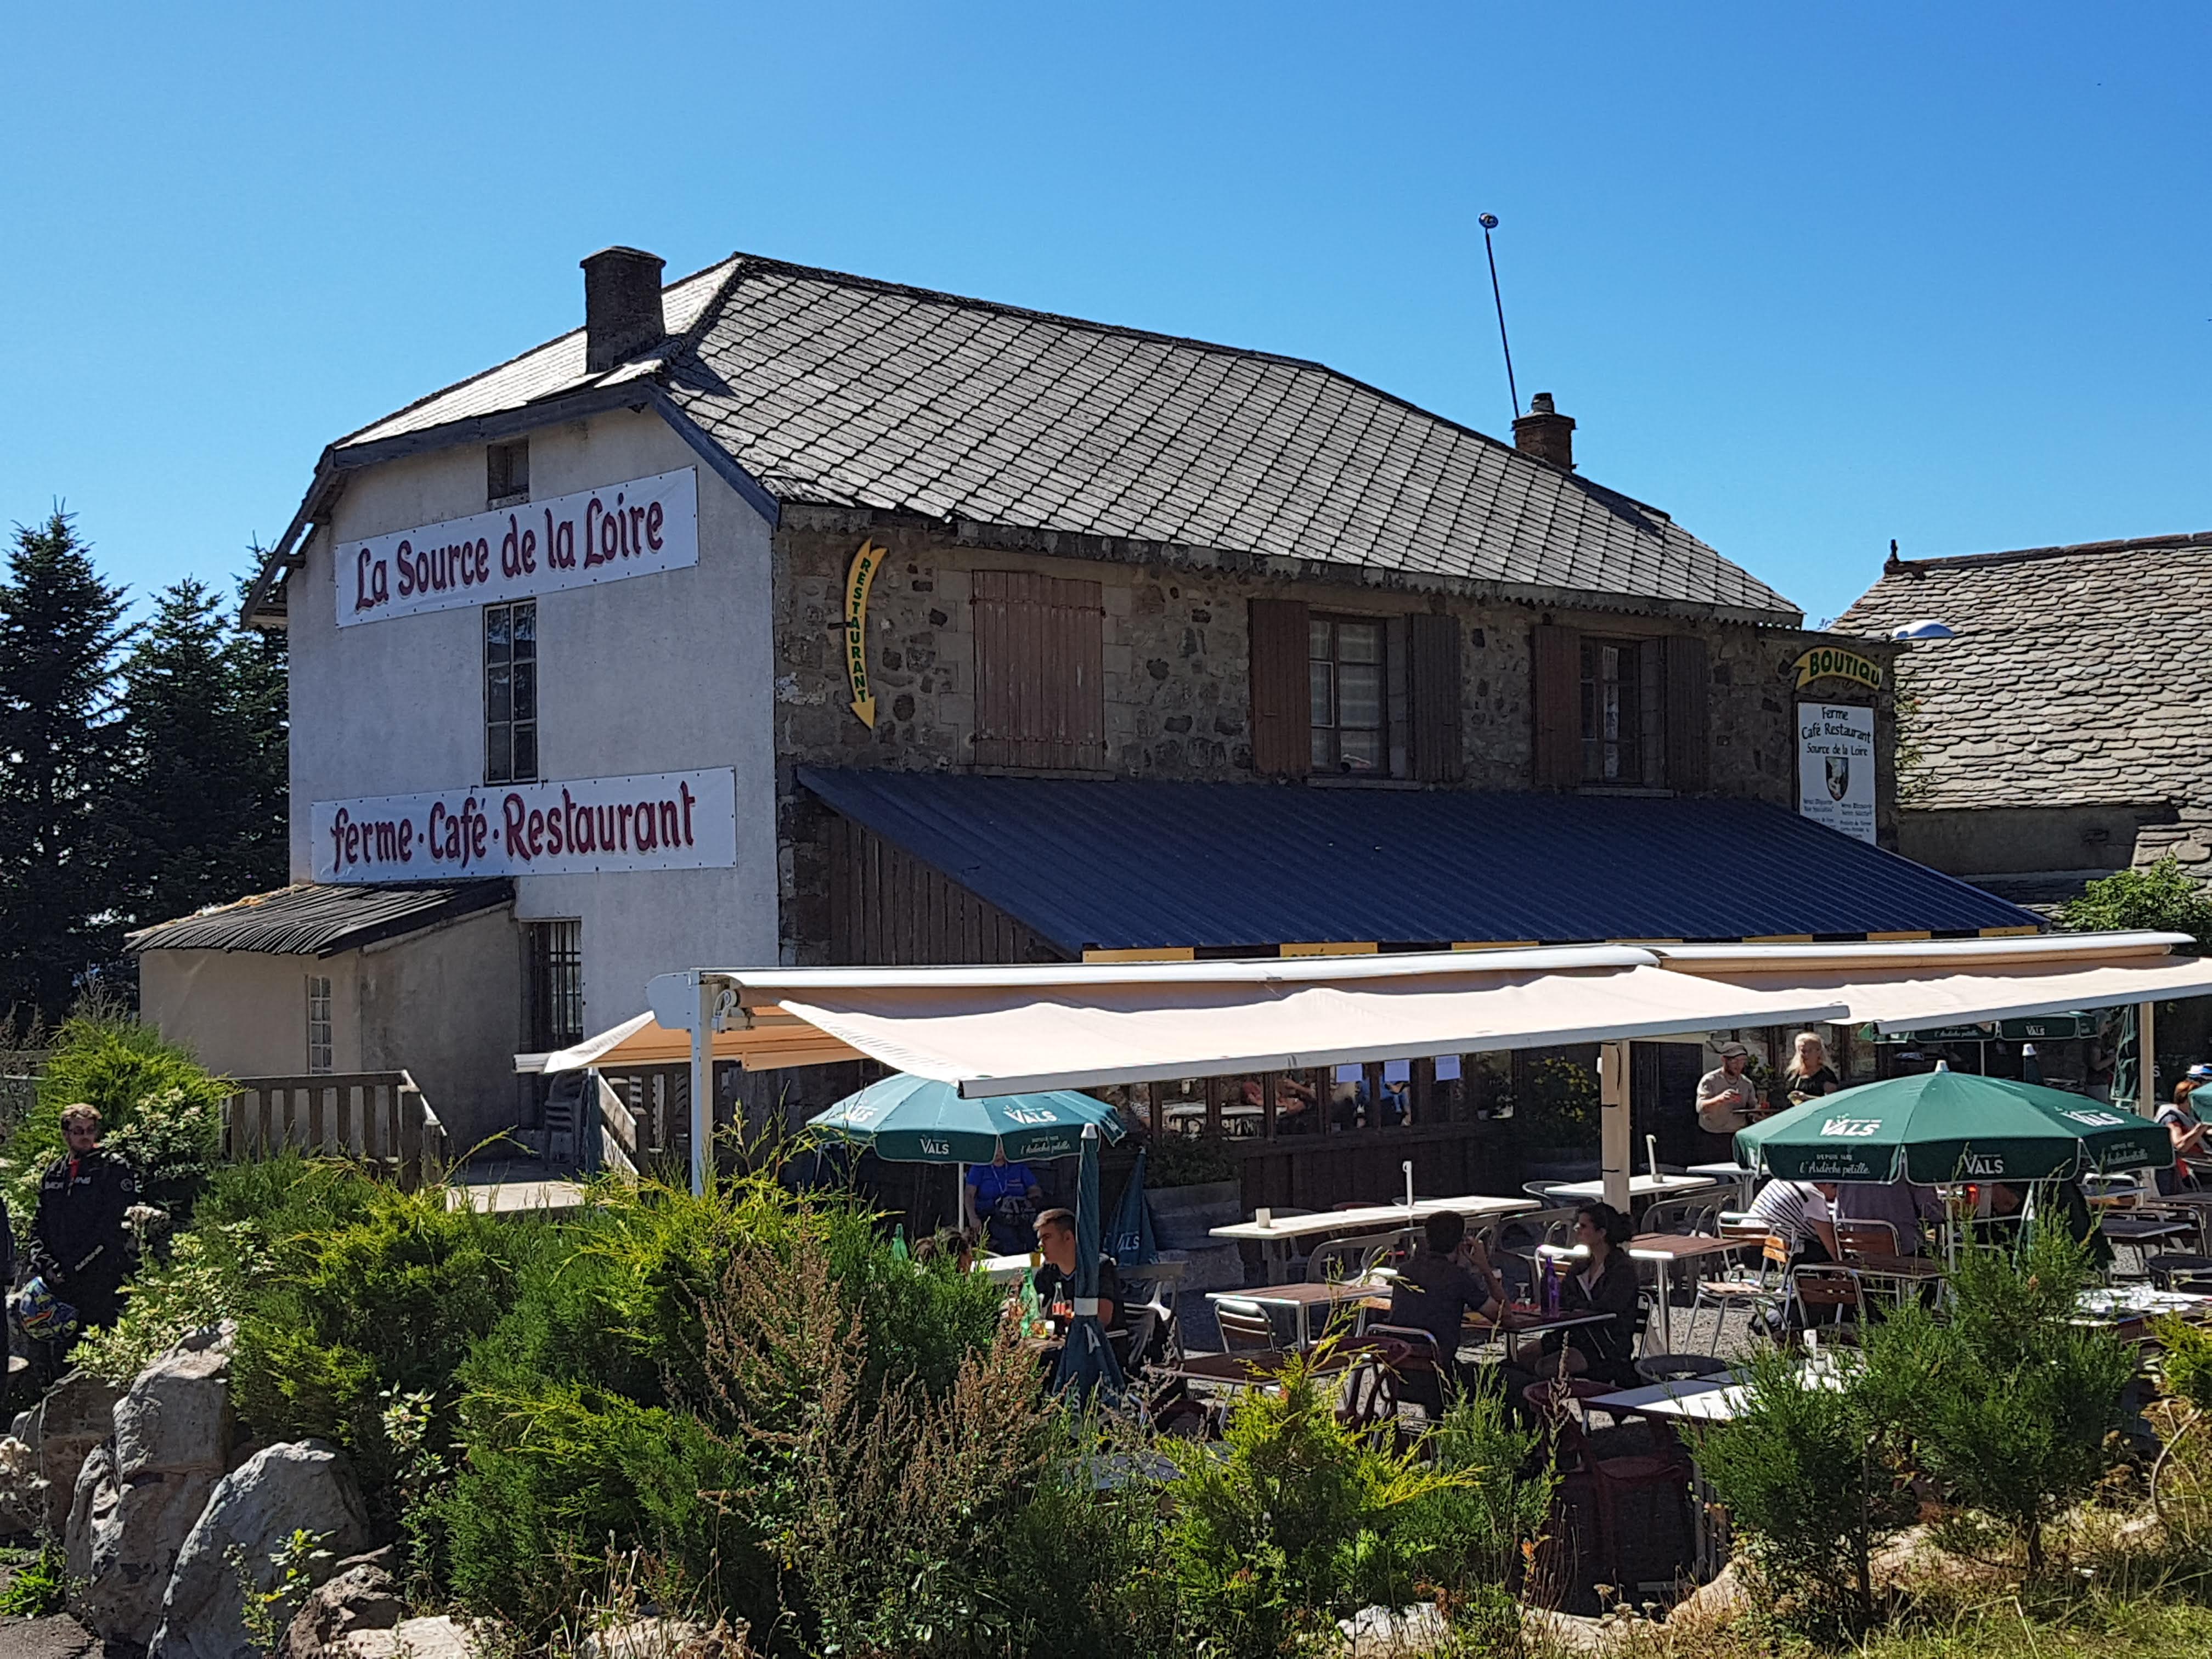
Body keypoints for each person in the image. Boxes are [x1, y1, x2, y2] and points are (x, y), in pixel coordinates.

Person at [29, 1104, 138, 1338]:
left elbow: (113, 1227)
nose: (86, 1136)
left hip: (99, 1280)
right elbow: (39, 1225)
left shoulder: (112, 1167)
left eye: (90, 1130)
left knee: (97, 1343)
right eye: (78, 1131)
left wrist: (76, 1267)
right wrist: (45, 1264)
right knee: (62, 1350)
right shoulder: (54, 1172)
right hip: (58, 1283)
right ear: (66, 1134)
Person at [1031, 1207, 1122, 1333]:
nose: (1040, 1245)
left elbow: (1103, 1319)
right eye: (1040, 1239)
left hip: (1101, 1341)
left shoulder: (1098, 1267)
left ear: (1068, 1237)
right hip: (1057, 1341)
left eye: (1047, 1237)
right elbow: (1033, 1312)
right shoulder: (1047, 1272)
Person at [964, 1150, 1043, 1256]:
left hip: (1018, 1213)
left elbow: (1035, 1189)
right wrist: (972, 1217)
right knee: (1010, 1240)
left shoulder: (1018, 1166)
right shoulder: (979, 1167)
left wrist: (1031, 1200)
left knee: (1032, 1238)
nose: (998, 1152)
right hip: (991, 1215)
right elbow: (969, 1194)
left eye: (1001, 1148)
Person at [1748, 1176, 1839, 1264]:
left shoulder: (1780, 1181)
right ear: (1828, 1184)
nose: (1836, 1197)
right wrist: (1842, 1264)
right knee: (1822, 1253)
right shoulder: (1812, 1196)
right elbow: (1831, 1245)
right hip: (1769, 1254)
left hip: (1746, 1248)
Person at [1695, 1042, 1762, 1155]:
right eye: (1734, 1061)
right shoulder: (1710, 1080)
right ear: (1724, 1060)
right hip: (1713, 1135)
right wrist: (1720, 1099)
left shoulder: (1746, 1083)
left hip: (1737, 1135)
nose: (1739, 1065)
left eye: (1742, 1061)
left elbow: (1752, 1110)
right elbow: (1700, 1107)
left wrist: (1760, 1115)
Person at [2157, 1075, 2210, 1196]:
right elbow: (2180, 1145)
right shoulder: (2171, 1118)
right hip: (2184, 1172)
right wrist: (2201, 1127)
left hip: (2199, 1166)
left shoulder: (2190, 1116)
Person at [1778, 1031, 1842, 1107]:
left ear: (1819, 1052)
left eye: (1810, 1051)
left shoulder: (1826, 1075)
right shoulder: (1793, 1074)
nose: (1806, 1055)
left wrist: (1807, 1098)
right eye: (1803, 1051)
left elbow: (1833, 1103)